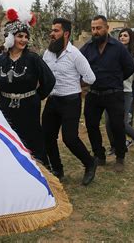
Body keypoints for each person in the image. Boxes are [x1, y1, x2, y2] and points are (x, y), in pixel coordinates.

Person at [0, 9, 55, 166]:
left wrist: (35, 96)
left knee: (33, 141)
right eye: (20, 36)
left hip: (29, 108)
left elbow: (49, 81)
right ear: (9, 37)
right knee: (10, 141)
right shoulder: (0, 60)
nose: (24, 40)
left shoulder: (33, 59)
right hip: (5, 108)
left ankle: (43, 176)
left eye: (26, 36)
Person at [42, 18, 97, 186]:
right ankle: (57, 169)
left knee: (70, 138)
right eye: (52, 30)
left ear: (66, 34)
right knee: (47, 137)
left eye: (56, 31)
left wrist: (75, 85)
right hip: (52, 100)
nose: (52, 34)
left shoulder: (75, 55)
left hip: (71, 101)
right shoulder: (47, 53)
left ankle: (89, 163)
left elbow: (90, 78)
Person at [80, 15, 134, 172]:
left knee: (117, 126)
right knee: (91, 125)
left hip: (114, 93)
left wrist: (116, 79)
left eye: (98, 28)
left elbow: (130, 67)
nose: (95, 31)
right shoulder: (87, 47)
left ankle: (120, 157)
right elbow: (78, 64)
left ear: (106, 28)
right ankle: (99, 155)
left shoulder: (118, 47)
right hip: (94, 93)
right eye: (93, 28)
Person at [104, 28, 134, 156]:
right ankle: (114, 147)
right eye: (120, 35)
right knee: (108, 121)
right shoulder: (112, 52)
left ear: (131, 38)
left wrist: (123, 74)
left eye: (125, 35)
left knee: (121, 122)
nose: (122, 37)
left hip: (125, 91)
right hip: (109, 90)